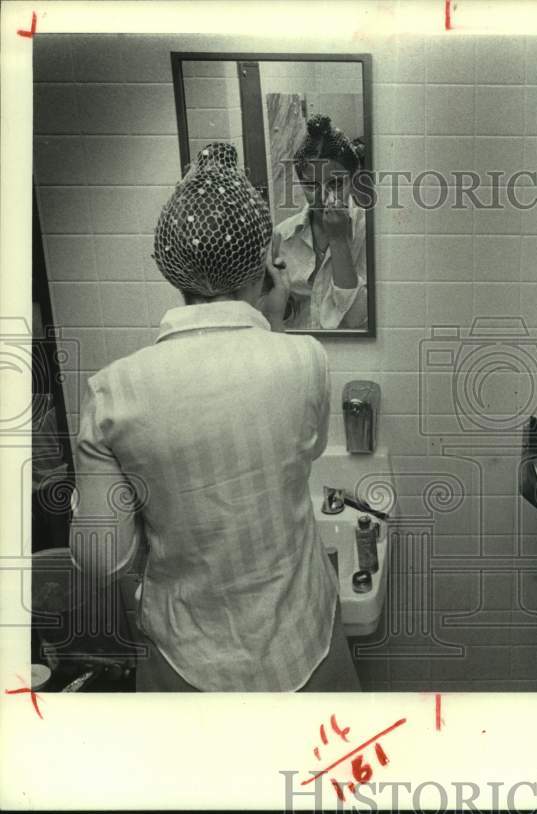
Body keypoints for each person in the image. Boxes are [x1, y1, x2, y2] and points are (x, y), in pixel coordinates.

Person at [69, 143, 360, 692]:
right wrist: (268, 321)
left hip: (188, 665)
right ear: (266, 260)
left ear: (169, 264)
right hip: (306, 647)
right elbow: (307, 452)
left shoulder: (112, 392)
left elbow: (103, 558)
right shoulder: (305, 361)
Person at [274, 114, 368, 331]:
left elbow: (356, 320)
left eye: (335, 183)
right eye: (311, 185)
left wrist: (338, 240)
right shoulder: (282, 236)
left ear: (354, 178)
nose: (324, 196)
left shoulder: (370, 233)